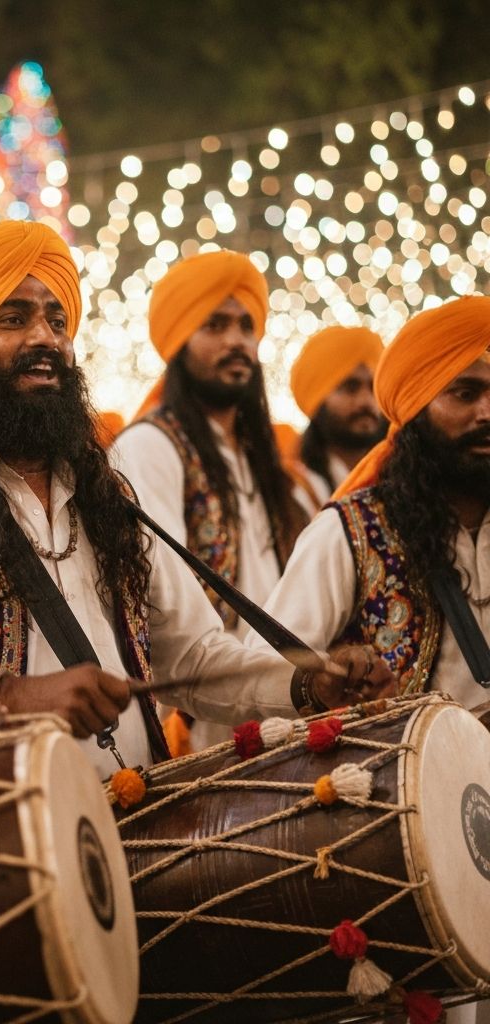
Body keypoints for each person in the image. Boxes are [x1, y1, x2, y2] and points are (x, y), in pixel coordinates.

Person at [0, 221, 389, 780]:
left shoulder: (109, 500)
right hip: (1, 827)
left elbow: (193, 656)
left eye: (57, 321)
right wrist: (7, 695)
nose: (46, 339)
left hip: (141, 813)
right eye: (12, 319)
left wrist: (305, 681)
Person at [112, 250, 312, 749]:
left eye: (246, 326)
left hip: (286, 708)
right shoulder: (150, 446)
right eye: (215, 325)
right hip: (205, 725)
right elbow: (168, 615)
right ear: (180, 343)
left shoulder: (258, 461)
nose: (236, 341)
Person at [257, 296, 490, 714]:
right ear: (416, 409)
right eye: (465, 393)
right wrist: (324, 681)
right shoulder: (350, 532)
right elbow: (263, 673)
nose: (486, 412)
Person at [289, 325, 386, 503]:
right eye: (351, 387)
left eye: (373, 388)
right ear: (318, 399)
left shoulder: (401, 482)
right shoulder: (295, 489)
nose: (366, 401)